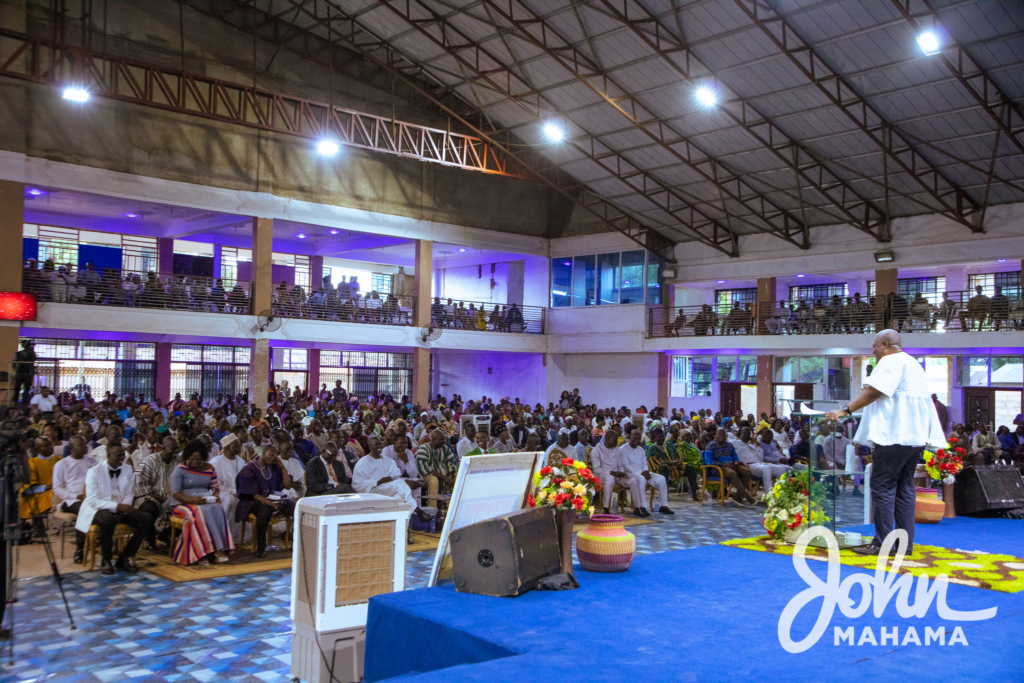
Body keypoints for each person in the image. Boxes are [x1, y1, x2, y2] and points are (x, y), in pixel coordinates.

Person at [826, 330, 946, 557]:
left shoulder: (890, 361)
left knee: (882, 487)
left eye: (874, 346)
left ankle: (882, 543)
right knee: (904, 488)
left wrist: (845, 410)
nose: (873, 350)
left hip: (893, 437)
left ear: (885, 343)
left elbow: (874, 392)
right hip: (914, 438)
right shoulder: (912, 363)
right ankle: (904, 544)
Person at [75, 443, 154, 574]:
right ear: (108, 455)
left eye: (123, 455)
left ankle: (125, 557)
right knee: (108, 520)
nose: (122, 458)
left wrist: (124, 508)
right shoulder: (94, 472)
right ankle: (106, 560)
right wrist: (117, 506)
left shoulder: (127, 469)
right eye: (118, 456)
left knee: (146, 518)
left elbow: (129, 492)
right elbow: (93, 500)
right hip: (97, 509)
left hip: (120, 508)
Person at [169, 440, 233, 566]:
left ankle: (218, 548)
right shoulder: (180, 469)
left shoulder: (209, 468)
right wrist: (191, 500)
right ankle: (206, 552)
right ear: (187, 456)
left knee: (217, 508)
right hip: (182, 502)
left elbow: (215, 488)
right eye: (192, 458)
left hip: (204, 500)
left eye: (198, 458)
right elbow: (175, 492)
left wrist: (215, 497)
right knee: (199, 511)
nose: (195, 461)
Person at [235, 445, 295, 558]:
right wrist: (269, 503)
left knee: (294, 507)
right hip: (252, 500)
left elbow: (287, 485)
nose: (273, 458)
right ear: (263, 453)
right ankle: (261, 547)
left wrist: (282, 467)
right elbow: (252, 494)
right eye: (271, 455)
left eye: (275, 456)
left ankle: (295, 543)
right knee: (264, 511)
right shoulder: (249, 469)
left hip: (272, 498)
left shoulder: (274, 468)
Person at [52, 435, 96, 563]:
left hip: (91, 497)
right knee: (83, 509)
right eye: (81, 445)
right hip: (70, 500)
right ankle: (80, 548)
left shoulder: (92, 462)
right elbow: (57, 488)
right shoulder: (62, 464)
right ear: (71, 448)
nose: (85, 447)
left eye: (85, 445)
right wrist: (75, 496)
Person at [134, 436, 181, 549]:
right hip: (150, 496)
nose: (175, 451)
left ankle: (166, 534)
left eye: (177, 448)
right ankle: (150, 540)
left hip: (172, 497)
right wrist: (162, 498)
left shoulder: (179, 461)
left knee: (190, 509)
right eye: (172, 448)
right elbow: (139, 483)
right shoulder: (150, 460)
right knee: (149, 509)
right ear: (162, 447)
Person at [352, 436, 420, 512]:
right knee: (400, 485)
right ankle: (416, 510)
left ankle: (402, 520)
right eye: (376, 445)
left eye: (380, 444)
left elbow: (396, 476)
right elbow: (357, 485)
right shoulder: (362, 463)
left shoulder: (388, 461)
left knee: (399, 497)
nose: (379, 447)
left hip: (389, 488)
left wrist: (390, 480)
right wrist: (378, 482)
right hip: (373, 490)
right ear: (370, 447)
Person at [590, 430, 643, 516]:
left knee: (633, 480)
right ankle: (606, 508)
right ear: (607, 438)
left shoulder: (617, 450)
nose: (616, 441)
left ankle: (637, 508)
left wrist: (622, 472)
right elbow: (596, 469)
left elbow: (620, 465)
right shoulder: (597, 450)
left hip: (617, 475)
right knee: (610, 479)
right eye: (614, 439)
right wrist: (613, 473)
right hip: (602, 475)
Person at [620, 428, 672, 515]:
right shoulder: (623, 449)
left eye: (638, 438)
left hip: (643, 473)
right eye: (634, 437)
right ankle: (642, 507)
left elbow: (644, 463)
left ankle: (664, 506)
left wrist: (646, 471)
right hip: (631, 474)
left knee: (662, 479)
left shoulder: (641, 449)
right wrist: (641, 473)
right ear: (630, 437)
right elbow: (625, 465)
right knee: (642, 478)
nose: (636, 440)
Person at [705, 428, 757, 505]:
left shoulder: (729, 445)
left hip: (732, 465)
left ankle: (737, 496)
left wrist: (736, 462)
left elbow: (735, 456)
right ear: (715, 435)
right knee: (732, 473)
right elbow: (709, 461)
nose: (722, 436)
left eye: (724, 434)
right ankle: (747, 496)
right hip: (719, 468)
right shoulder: (711, 446)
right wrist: (724, 464)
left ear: (726, 436)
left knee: (747, 471)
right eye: (720, 434)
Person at [730, 427, 787, 493]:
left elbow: (760, 458)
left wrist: (757, 446)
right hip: (749, 465)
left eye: (748, 434)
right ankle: (768, 494)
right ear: (740, 434)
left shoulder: (751, 445)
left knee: (781, 469)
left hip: (759, 464)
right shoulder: (734, 442)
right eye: (745, 433)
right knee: (766, 468)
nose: (746, 436)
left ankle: (779, 493)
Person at [210, 433, 244, 540]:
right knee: (230, 501)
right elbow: (216, 485)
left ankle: (236, 538)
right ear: (227, 447)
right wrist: (232, 491)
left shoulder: (240, 460)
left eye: (239, 445)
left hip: (239, 493)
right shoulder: (216, 462)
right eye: (236, 445)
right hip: (221, 494)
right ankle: (222, 537)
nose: (239, 447)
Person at [414, 429, 456, 509]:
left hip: (445, 475)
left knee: (458, 477)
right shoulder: (423, 449)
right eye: (440, 440)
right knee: (434, 480)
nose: (443, 441)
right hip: (426, 478)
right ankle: (433, 509)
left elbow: (451, 462)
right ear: (432, 440)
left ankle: (453, 508)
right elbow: (424, 469)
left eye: (444, 439)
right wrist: (443, 477)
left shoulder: (445, 448)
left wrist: (450, 476)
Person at [12, 340, 35, 405]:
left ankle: (24, 401)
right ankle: (16, 400)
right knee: (17, 387)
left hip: (28, 373)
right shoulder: (18, 353)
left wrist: (32, 351)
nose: (27, 346)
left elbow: (34, 359)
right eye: (26, 344)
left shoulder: (31, 353)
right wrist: (16, 371)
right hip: (20, 373)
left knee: (27, 388)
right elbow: (13, 363)